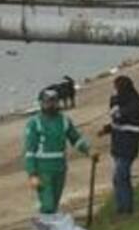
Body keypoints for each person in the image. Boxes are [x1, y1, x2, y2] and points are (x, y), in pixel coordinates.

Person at [24, 87, 91, 215]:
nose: (51, 105)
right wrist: (32, 174)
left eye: (54, 102)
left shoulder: (64, 120)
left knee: (54, 203)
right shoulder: (34, 123)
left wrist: (88, 150)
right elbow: (29, 150)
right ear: (41, 103)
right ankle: (45, 228)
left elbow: (75, 139)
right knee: (47, 204)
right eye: (48, 102)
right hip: (43, 170)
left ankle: (49, 229)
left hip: (60, 168)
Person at [100, 75, 139, 215]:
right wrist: (107, 129)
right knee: (117, 178)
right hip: (118, 143)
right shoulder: (120, 101)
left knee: (122, 176)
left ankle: (126, 209)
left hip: (128, 144)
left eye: (116, 87)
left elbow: (121, 117)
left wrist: (115, 105)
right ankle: (121, 207)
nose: (115, 91)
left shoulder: (134, 103)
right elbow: (116, 121)